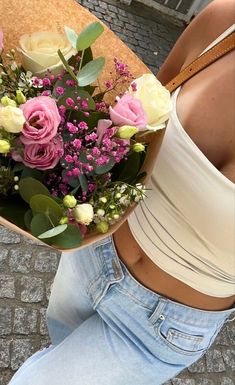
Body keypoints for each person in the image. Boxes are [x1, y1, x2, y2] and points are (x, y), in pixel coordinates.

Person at [9, 0, 235, 384]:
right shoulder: (222, 22)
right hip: (93, 251)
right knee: (59, 344)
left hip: (158, 331)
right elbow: (141, 119)